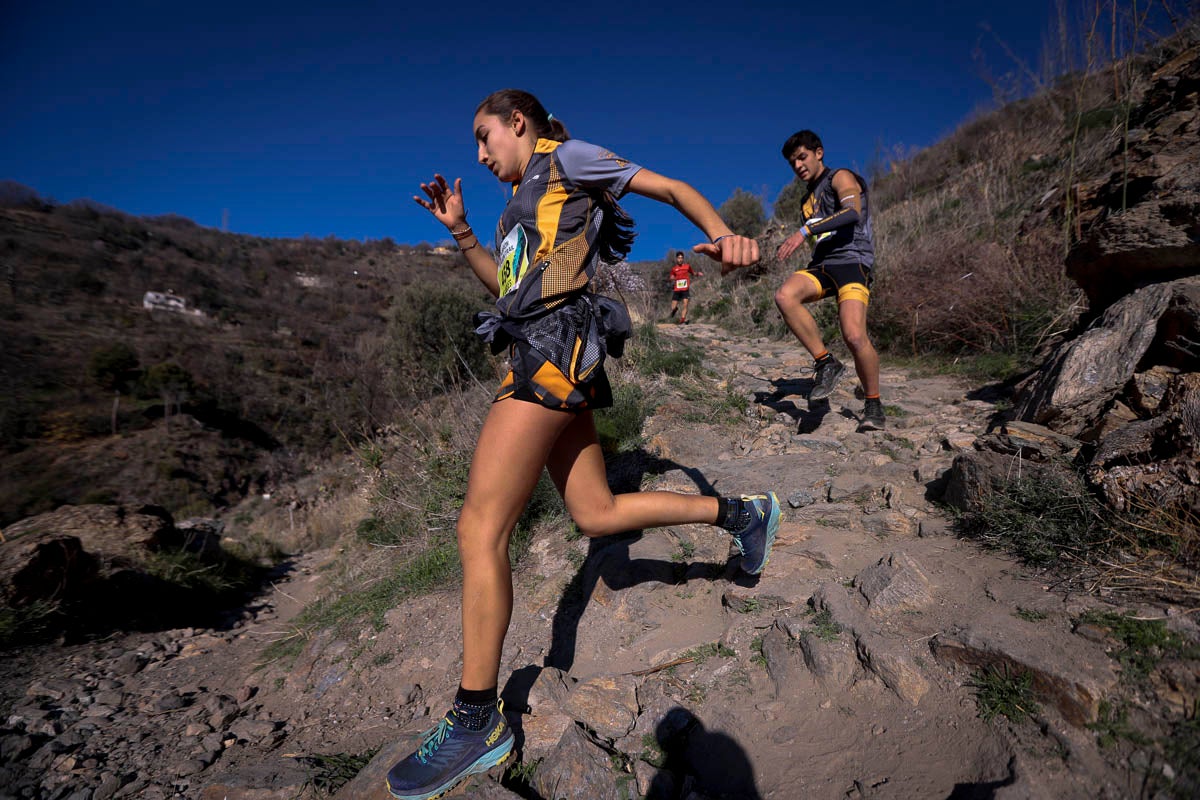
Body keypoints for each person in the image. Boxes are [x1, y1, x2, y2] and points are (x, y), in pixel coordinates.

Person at [387, 88, 781, 800]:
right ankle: (741, 515)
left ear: (518, 122)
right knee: (596, 515)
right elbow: (509, 288)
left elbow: (668, 185)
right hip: (538, 348)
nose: (479, 155)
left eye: (485, 137)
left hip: (552, 354)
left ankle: (478, 721)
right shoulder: (519, 204)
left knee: (480, 527)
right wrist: (465, 235)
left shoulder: (567, 157)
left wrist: (724, 232)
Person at [774, 129, 885, 431]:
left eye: (802, 157)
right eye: (792, 162)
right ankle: (826, 363)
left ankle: (873, 403)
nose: (797, 165)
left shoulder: (840, 177)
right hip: (822, 266)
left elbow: (851, 213)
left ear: (818, 152)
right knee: (785, 295)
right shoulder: (806, 200)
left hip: (852, 262)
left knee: (854, 336)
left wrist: (803, 232)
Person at [667, 250, 703, 323]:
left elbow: (693, 273)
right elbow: (671, 277)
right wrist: (672, 278)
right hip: (677, 289)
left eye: (681, 258)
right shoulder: (674, 269)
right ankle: (675, 310)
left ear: (683, 259)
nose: (680, 259)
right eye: (679, 258)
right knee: (673, 307)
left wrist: (697, 274)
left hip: (685, 289)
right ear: (676, 259)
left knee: (685, 304)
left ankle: (682, 319)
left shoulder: (687, 266)